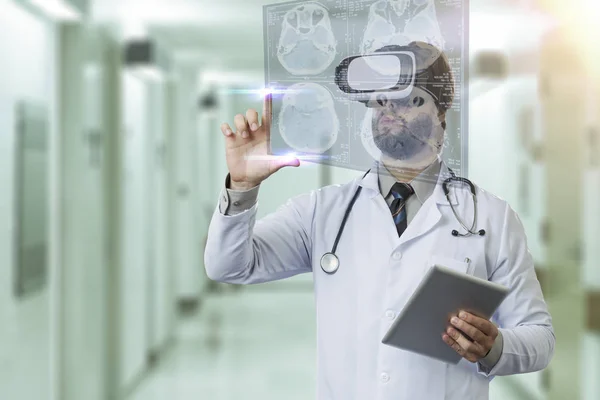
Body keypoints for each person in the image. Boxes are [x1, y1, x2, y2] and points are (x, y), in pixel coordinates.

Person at [204, 41, 555, 400]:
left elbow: (540, 338)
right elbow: (227, 267)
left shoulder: (491, 217)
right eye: (380, 98)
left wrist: (495, 346)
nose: (388, 107)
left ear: (441, 110)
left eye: (405, 96)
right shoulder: (323, 210)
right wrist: (243, 187)